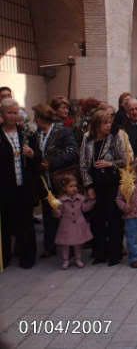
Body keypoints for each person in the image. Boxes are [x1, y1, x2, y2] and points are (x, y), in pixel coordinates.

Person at [80, 109, 126, 266]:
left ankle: (115, 254)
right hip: (95, 184)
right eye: (105, 123)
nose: (108, 126)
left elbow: (124, 160)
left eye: (110, 122)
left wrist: (109, 163)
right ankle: (99, 253)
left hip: (112, 183)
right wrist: (89, 186)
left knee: (113, 219)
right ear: (96, 125)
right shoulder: (87, 138)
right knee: (97, 220)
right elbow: (83, 165)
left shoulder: (114, 137)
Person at [33, 104, 79, 258]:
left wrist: (52, 162)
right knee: (48, 214)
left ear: (40, 118)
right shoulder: (36, 134)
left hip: (61, 179)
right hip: (44, 181)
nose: (34, 120)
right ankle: (50, 246)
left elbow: (73, 152)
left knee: (65, 215)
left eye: (36, 117)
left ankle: (71, 248)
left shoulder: (63, 131)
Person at [0, 98, 39, 269]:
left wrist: (32, 154)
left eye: (16, 112)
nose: (13, 116)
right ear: (2, 114)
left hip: (24, 186)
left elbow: (39, 158)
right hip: (5, 187)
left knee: (26, 223)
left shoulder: (26, 134)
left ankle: (27, 257)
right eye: (9, 112)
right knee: (6, 223)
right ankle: (5, 256)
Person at [54, 174, 95, 269]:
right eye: (71, 186)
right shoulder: (61, 200)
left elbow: (84, 208)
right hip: (66, 225)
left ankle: (78, 259)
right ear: (64, 188)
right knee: (65, 244)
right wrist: (56, 211)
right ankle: (66, 260)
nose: (74, 188)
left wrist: (91, 201)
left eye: (75, 186)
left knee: (78, 243)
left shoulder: (80, 198)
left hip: (78, 225)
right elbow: (59, 214)